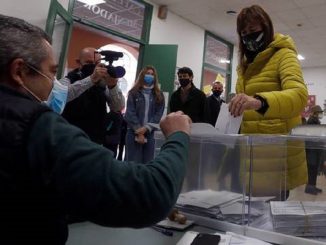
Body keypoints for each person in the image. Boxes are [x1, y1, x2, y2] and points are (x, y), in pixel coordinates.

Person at [0, 14, 192, 245]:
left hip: (91, 144)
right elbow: (147, 196)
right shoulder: (40, 121)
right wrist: (178, 136)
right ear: (19, 71)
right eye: (50, 71)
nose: (52, 81)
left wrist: (110, 86)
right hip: (69, 145)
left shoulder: (103, 85)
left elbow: (119, 106)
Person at [228, 5, 308, 199]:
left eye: (253, 31)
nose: (248, 37)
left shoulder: (283, 54)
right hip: (250, 152)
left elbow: (299, 96)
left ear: (266, 28)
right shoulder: (245, 66)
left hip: (275, 154)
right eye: (244, 33)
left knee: (267, 219)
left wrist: (259, 102)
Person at [61, 47, 125, 144]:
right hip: (70, 138)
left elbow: (118, 107)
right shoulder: (69, 79)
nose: (94, 67)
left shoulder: (102, 84)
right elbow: (63, 95)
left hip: (95, 140)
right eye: (89, 63)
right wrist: (91, 80)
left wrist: (113, 86)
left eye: (97, 64)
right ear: (78, 62)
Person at [124, 65, 165, 163]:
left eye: (152, 74)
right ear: (142, 75)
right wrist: (139, 130)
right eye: (147, 74)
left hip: (150, 133)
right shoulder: (133, 93)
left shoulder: (159, 94)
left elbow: (158, 114)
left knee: (148, 163)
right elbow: (130, 113)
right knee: (132, 163)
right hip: (133, 132)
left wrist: (146, 128)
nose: (150, 76)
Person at [305, 105, 324, 194]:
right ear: (315, 113)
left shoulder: (316, 120)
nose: (321, 114)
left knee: (315, 168)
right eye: (320, 112)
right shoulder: (311, 121)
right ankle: (309, 188)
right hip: (312, 148)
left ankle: (313, 186)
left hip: (316, 148)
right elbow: (313, 135)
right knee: (312, 168)